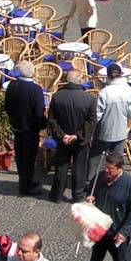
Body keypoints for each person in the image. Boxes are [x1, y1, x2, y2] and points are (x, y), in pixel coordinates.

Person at [80, 153, 131, 261]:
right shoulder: (100, 178)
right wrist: (89, 199)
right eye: (105, 167)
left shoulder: (129, 184)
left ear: (120, 169)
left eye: (110, 169)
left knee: (119, 259)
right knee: (96, 259)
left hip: (117, 231)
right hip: (100, 229)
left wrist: (124, 231)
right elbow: (89, 192)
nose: (106, 171)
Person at [48, 69, 97, 203]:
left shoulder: (57, 96)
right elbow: (91, 122)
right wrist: (77, 135)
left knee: (61, 167)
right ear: (80, 80)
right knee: (79, 168)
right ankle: (77, 196)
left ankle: (57, 195)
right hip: (80, 140)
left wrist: (62, 135)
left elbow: (52, 120)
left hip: (63, 140)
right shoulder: (89, 99)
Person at [90, 63, 131, 175]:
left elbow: (98, 115)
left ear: (108, 76)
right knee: (117, 160)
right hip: (121, 131)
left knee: (96, 158)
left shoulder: (104, 92)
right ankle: (115, 180)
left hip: (104, 131)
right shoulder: (128, 91)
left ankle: (91, 182)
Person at [5, 61, 48, 196]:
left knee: (20, 157)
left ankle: (25, 180)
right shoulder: (36, 89)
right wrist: (42, 124)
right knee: (29, 158)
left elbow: (7, 106)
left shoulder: (12, 86)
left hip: (17, 126)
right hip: (31, 129)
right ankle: (26, 185)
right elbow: (38, 112)